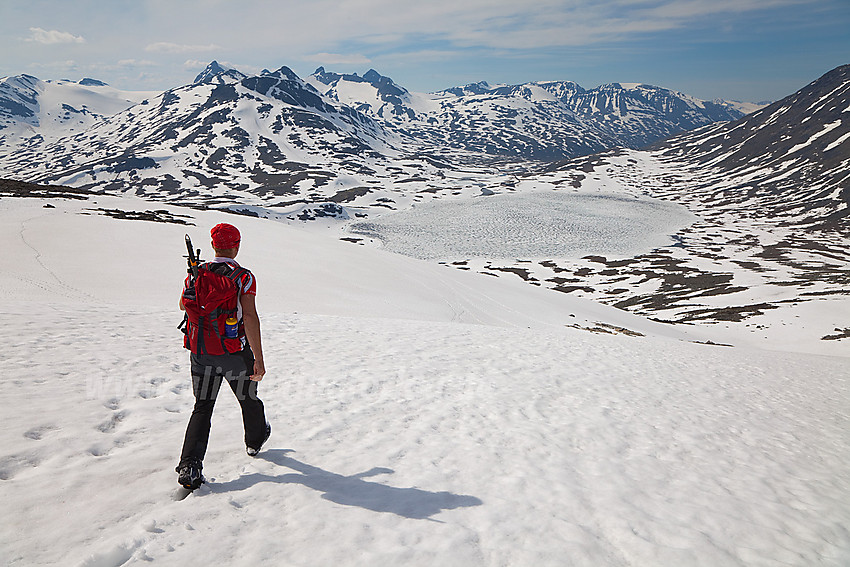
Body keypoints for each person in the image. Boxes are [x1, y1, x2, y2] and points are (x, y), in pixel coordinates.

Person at [175, 223, 270, 490]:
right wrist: (258, 359)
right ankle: (254, 441)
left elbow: (183, 303)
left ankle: (190, 466)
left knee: (202, 407)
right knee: (248, 398)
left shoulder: (196, 273)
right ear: (236, 246)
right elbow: (249, 316)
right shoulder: (243, 277)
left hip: (201, 352)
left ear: (214, 245)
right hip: (233, 353)